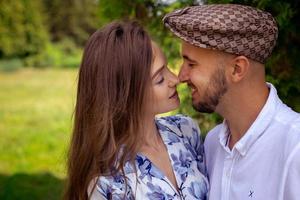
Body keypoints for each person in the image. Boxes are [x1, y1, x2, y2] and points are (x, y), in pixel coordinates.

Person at [163, 4, 300, 200]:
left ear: (237, 69)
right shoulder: (212, 143)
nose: (181, 76)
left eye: (191, 64)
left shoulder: (295, 148)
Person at [64, 21, 208, 200]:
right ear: (126, 94)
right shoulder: (107, 180)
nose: (175, 79)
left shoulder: (185, 130)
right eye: (159, 79)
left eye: (168, 68)